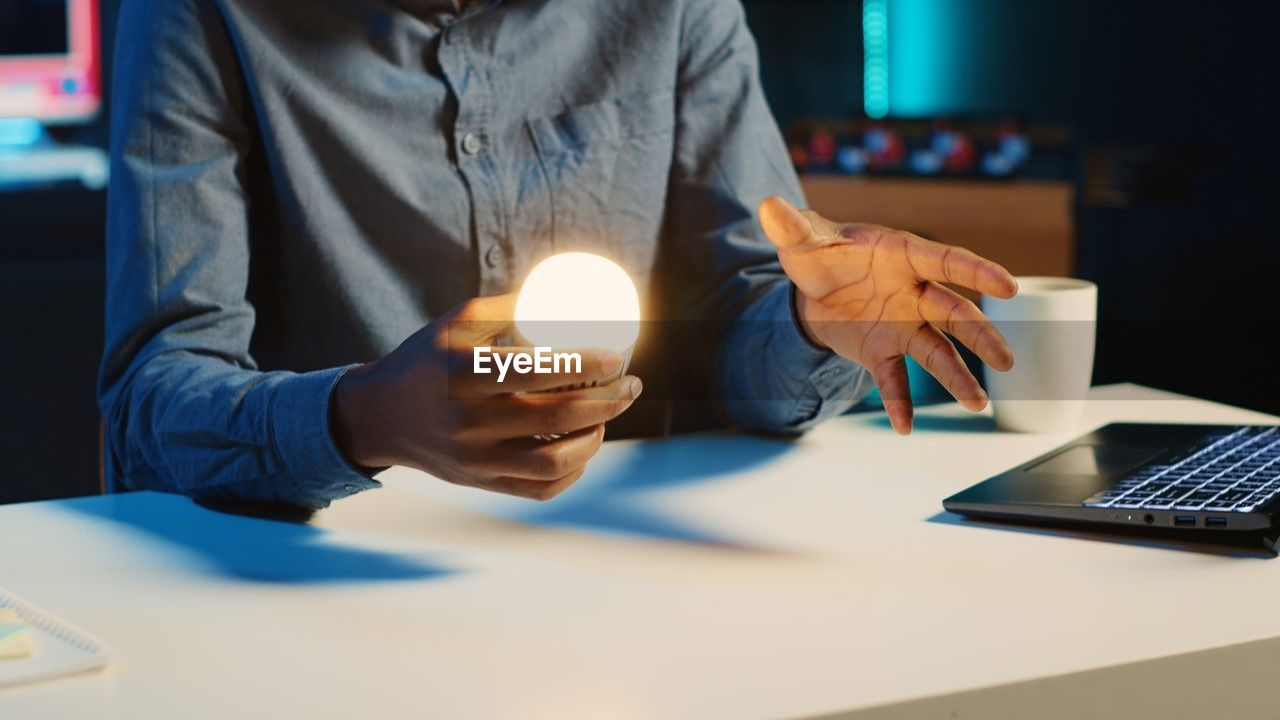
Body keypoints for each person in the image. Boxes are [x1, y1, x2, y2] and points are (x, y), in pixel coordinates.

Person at [99, 0, 1017, 510]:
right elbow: (153, 396)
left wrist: (812, 321)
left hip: (626, 584)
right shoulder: (199, 14)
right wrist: (366, 418)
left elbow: (738, 330)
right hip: (315, 588)